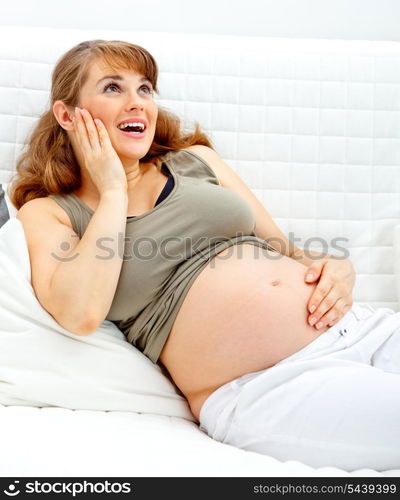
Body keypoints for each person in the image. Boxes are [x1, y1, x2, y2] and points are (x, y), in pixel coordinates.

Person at [8, 40, 399, 472]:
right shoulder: (49, 211)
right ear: (67, 115)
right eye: (113, 88)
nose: (137, 103)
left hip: (360, 328)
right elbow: (79, 313)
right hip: (268, 387)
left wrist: (340, 268)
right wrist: (114, 188)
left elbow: (287, 251)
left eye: (145, 89)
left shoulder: (194, 160)